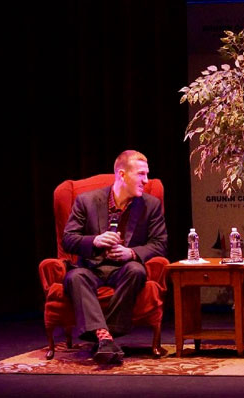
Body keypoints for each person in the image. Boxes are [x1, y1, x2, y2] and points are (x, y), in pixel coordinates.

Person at [62, 150, 167, 364]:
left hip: (124, 269)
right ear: (121, 174)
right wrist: (95, 241)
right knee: (74, 277)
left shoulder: (151, 205)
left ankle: (104, 335)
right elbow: (68, 239)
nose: (146, 181)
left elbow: (160, 244)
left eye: (147, 175)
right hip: (91, 268)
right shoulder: (86, 201)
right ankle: (106, 338)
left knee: (137, 270)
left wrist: (132, 253)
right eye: (141, 174)